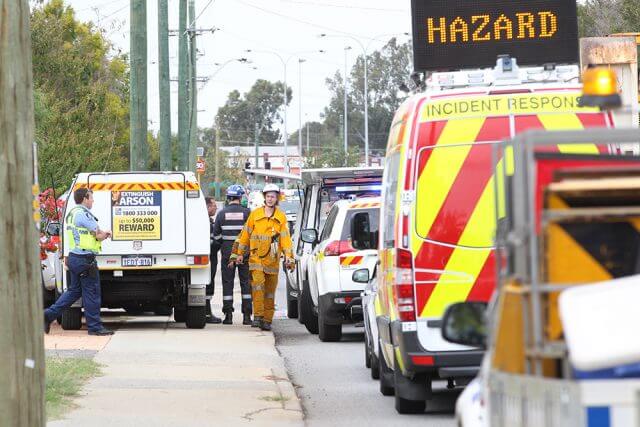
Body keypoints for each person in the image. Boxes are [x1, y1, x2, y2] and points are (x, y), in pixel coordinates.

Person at [44, 188, 113, 336]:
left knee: (73, 292)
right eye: (91, 198)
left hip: (75, 258)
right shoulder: (83, 214)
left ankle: (48, 315)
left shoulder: (71, 213)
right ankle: (95, 328)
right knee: (92, 293)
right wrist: (107, 234)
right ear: (84, 199)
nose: (92, 200)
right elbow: (98, 234)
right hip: (85, 260)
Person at [229, 184, 294, 331]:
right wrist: (239, 253)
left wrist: (289, 257)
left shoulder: (281, 217)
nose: (270, 199)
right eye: (268, 196)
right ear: (265, 197)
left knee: (270, 292)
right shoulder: (255, 215)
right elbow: (245, 235)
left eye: (273, 196)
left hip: (272, 260)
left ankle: (267, 320)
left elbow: (285, 239)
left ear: (277, 198)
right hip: (256, 258)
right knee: (258, 285)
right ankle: (258, 316)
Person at [213, 185, 252, 325]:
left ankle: (228, 316)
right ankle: (247, 316)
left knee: (227, 283)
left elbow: (216, 236)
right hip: (244, 254)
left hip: (227, 254)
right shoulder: (248, 213)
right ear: (240, 197)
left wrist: (223, 244)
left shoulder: (221, 214)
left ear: (228, 198)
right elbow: (252, 234)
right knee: (246, 283)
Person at [205, 197, 223, 324]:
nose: (216, 208)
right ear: (207, 207)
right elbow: (212, 242)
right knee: (208, 284)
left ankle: (207, 312)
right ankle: (206, 313)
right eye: (214, 205)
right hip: (209, 257)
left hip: (209, 257)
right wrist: (220, 243)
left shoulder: (208, 221)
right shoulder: (206, 222)